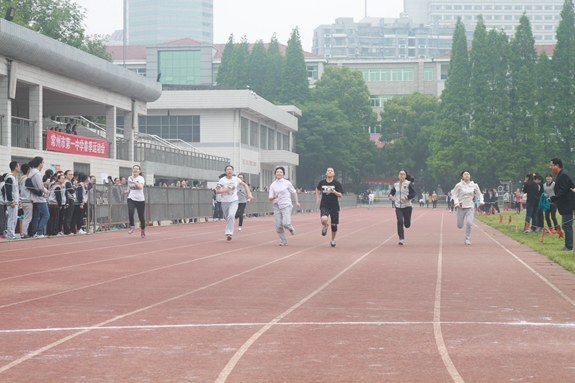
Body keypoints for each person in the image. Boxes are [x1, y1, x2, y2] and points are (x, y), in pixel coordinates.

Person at [216, 165, 252, 241]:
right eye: (227, 169)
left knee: (231, 215)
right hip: (225, 201)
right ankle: (229, 229)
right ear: (225, 172)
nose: (229, 171)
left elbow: (245, 184)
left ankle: (229, 232)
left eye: (230, 169)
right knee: (227, 217)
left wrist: (249, 194)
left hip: (234, 200)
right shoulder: (222, 180)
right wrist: (225, 191)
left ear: (232, 171)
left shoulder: (236, 179)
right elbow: (217, 191)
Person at [269, 166, 300, 246]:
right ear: (275, 174)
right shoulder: (273, 184)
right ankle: (283, 240)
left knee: (285, 223)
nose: (279, 173)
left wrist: (296, 202)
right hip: (276, 205)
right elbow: (270, 198)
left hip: (286, 205)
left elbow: (294, 192)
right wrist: (274, 197)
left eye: (280, 172)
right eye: (277, 172)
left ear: (283, 174)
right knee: (278, 225)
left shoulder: (287, 183)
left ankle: (289, 227)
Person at [452, 171, 484, 245]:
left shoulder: (474, 185)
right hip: (460, 207)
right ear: (462, 177)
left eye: (468, 174)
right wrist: (456, 203)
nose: (467, 175)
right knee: (459, 225)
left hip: (470, 206)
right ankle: (461, 223)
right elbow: (454, 195)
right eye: (465, 174)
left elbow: (479, 194)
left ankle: (467, 238)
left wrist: (481, 201)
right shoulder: (459, 185)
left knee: (469, 223)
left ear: (470, 176)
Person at [549, 158, 575, 251]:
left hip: (568, 205)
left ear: (557, 165)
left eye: (551, 165)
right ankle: (568, 245)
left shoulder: (563, 175)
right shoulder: (560, 175)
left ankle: (569, 246)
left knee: (567, 226)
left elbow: (563, 190)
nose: (550, 167)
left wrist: (553, 198)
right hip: (565, 204)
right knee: (566, 225)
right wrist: (556, 200)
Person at [316, 167, 343, 247]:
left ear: (334, 173)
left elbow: (340, 195)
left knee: (334, 224)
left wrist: (333, 191)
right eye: (328, 171)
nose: (330, 172)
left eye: (331, 171)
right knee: (324, 219)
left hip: (334, 206)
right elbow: (317, 189)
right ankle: (325, 226)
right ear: (326, 173)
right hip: (325, 204)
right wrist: (318, 198)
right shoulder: (322, 182)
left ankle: (332, 239)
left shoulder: (337, 183)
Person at [389, 169, 416, 245]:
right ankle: (401, 239)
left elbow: (413, 194)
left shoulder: (408, 184)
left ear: (405, 176)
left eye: (403, 174)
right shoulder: (396, 184)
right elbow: (392, 192)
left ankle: (407, 223)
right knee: (400, 221)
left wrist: (406, 197)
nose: (401, 175)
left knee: (407, 225)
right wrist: (391, 195)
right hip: (398, 206)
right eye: (400, 174)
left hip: (407, 206)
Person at [27, 157, 49, 238]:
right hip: (40, 199)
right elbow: (40, 186)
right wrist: (46, 191)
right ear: (40, 163)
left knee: (36, 216)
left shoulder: (31, 172)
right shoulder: (37, 173)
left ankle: (34, 232)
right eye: (42, 162)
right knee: (46, 215)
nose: (43, 164)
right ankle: (39, 232)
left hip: (34, 197)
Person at [125, 165, 146, 238]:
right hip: (131, 198)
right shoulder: (129, 178)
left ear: (139, 171)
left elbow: (140, 187)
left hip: (140, 200)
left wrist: (134, 180)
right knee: (130, 212)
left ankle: (143, 230)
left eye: (137, 169)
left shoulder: (141, 178)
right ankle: (132, 226)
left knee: (141, 217)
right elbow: (129, 185)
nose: (135, 170)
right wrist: (127, 190)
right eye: (134, 169)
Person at [4, 161, 21, 240]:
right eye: (18, 166)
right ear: (15, 168)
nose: (19, 168)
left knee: (14, 219)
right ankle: (11, 235)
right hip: (12, 202)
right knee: (12, 219)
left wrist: (18, 200)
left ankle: (12, 234)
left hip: (15, 201)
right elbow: (8, 190)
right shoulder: (9, 178)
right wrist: (11, 201)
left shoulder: (14, 177)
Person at [18, 163, 32, 238]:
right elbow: (32, 189)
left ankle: (24, 233)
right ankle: (24, 233)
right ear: (28, 170)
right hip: (27, 200)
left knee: (26, 217)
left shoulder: (22, 179)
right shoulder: (27, 179)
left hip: (23, 200)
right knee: (27, 218)